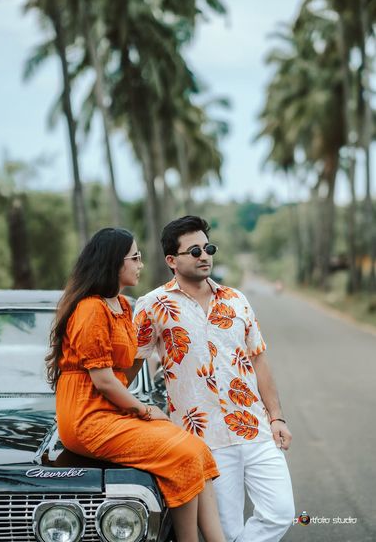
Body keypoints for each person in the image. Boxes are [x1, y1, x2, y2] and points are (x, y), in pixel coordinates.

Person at [45, 227, 226, 542]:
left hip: (111, 411)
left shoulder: (122, 307)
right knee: (182, 455)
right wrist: (144, 409)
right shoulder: (90, 309)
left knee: (196, 449)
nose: (141, 264)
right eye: (135, 258)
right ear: (114, 263)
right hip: (87, 419)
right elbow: (103, 381)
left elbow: (125, 371)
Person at [134, 216, 295, 542]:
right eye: (194, 251)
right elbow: (131, 364)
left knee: (281, 512)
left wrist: (276, 416)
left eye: (208, 248)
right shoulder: (152, 306)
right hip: (203, 439)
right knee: (225, 531)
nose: (204, 255)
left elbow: (259, 360)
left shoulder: (236, 300)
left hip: (255, 427)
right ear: (172, 261)